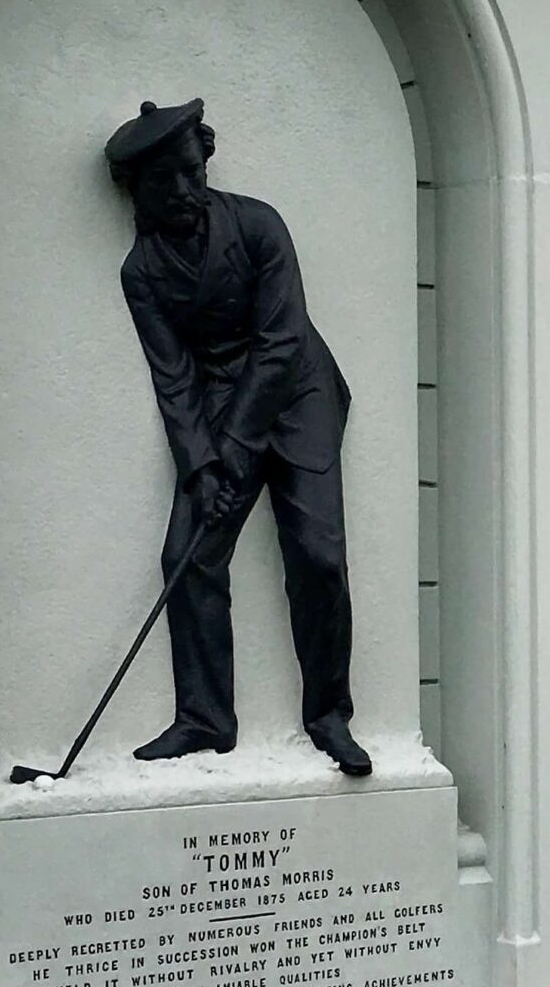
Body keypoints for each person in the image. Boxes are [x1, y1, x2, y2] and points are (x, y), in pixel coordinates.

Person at [104, 96, 370, 775]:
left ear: (206, 159)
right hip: (223, 406)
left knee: (318, 554)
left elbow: (281, 343)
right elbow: (174, 380)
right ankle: (205, 718)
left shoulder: (258, 225)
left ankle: (329, 714)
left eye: (192, 172)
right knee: (187, 555)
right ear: (138, 189)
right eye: (165, 182)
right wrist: (202, 468)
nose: (185, 190)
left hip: (300, 392)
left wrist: (237, 446)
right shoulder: (142, 272)